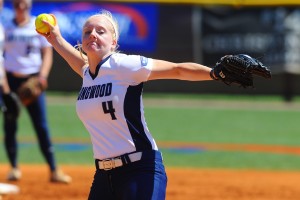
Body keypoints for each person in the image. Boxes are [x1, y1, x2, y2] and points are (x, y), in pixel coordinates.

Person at [41, 10, 213, 199]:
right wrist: (55, 38)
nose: (93, 34)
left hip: (140, 170)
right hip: (104, 176)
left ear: (113, 42)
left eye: (101, 31)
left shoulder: (124, 65)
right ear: (82, 42)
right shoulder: (88, 74)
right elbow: (76, 60)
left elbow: (177, 70)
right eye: (87, 32)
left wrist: (215, 74)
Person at [2, 0, 71, 184]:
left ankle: (54, 170)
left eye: (24, 5)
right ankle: (14, 168)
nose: (21, 8)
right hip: (11, 81)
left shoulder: (37, 26)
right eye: (17, 5)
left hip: (33, 80)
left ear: (30, 6)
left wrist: (42, 77)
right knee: (10, 125)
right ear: (13, 6)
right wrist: (5, 87)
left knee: (41, 126)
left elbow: (47, 54)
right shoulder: (6, 28)